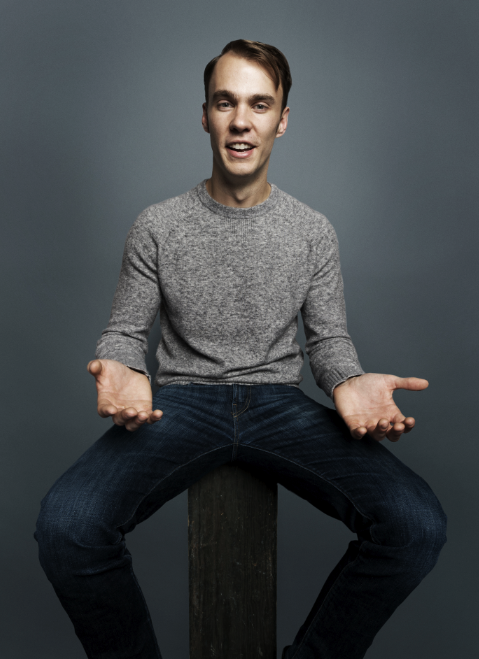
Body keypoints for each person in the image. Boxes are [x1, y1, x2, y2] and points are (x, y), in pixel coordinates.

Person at [35, 39, 447, 659]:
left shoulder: (312, 231)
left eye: (259, 104)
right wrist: (121, 364)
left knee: (416, 525)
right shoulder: (157, 225)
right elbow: (124, 330)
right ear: (205, 115)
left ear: (282, 120)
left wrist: (347, 380)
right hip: (181, 404)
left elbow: (328, 339)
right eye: (225, 102)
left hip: (280, 406)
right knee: (67, 526)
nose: (241, 121)